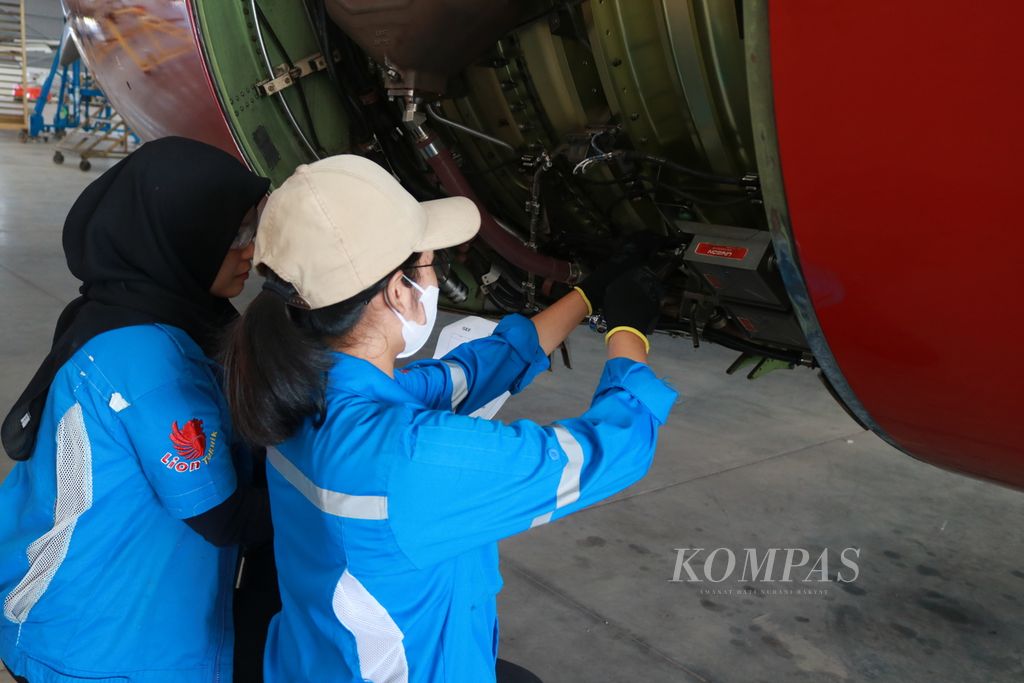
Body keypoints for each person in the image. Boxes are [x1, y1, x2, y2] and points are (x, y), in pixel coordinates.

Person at [221, 155, 677, 682]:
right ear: (397, 291)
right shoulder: (411, 458)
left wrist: (592, 292)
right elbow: (612, 449)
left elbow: (473, 370)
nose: (436, 277)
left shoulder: (299, 389)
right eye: (431, 264)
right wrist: (630, 335)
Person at [0, 137, 274, 682]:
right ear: (179, 232)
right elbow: (226, 518)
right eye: (236, 234)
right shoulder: (147, 359)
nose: (251, 251)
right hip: (100, 648)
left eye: (253, 231)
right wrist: (361, 487)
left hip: (116, 627)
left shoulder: (131, 309)